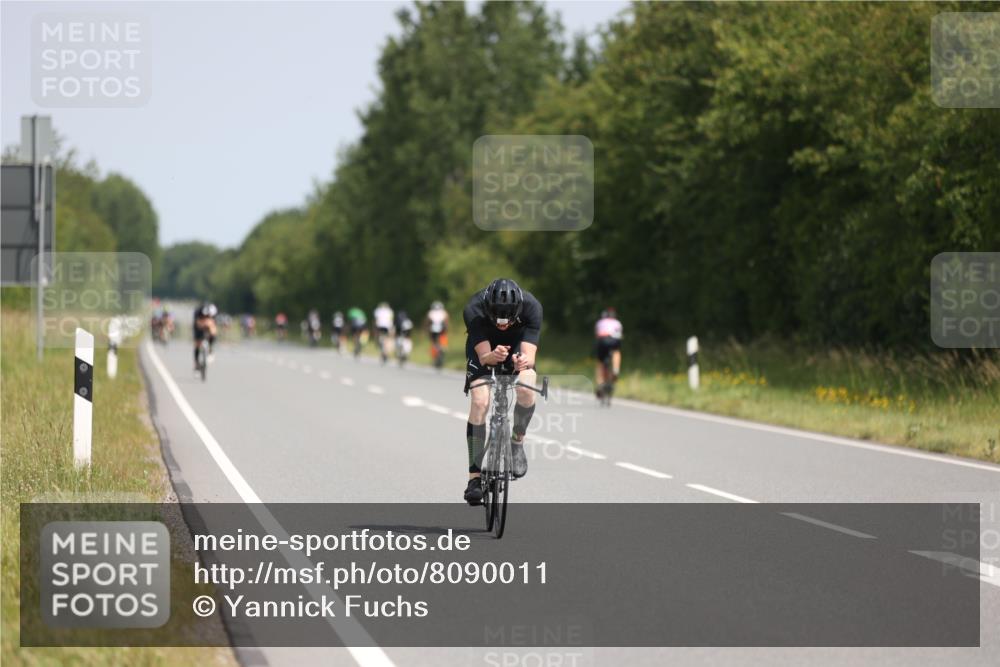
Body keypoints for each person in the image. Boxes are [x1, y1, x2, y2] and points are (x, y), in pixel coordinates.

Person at [461, 278, 542, 505]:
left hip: (518, 345)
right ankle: (474, 478)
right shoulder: (474, 309)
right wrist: (491, 357)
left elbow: (530, 355)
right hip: (484, 349)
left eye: (508, 318)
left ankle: (517, 441)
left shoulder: (532, 307)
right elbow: (484, 356)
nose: (502, 323)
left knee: (526, 387)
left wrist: (521, 362)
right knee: (479, 401)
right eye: (497, 317)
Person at [594, 307, 623, 400]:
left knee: (600, 364)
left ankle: (600, 384)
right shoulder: (618, 323)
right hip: (614, 340)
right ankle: (615, 368)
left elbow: (597, 335)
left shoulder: (600, 322)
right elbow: (620, 335)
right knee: (616, 352)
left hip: (602, 341)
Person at [193, 301, 218, 369]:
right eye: (204, 316)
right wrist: (202, 324)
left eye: (208, 316)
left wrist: (210, 327)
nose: (206, 317)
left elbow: (214, 324)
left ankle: (210, 349)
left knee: (213, 331)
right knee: (197, 343)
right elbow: (197, 324)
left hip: (209, 324)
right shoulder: (198, 312)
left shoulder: (213, 311)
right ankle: (196, 362)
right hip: (198, 324)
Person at [426, 300, 450, 368]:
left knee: (433, 343)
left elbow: (427, 322)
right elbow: (446, 321)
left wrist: (427, 329)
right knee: (443, 341)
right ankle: (443, 348)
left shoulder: (430, 312)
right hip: (442, 330)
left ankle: (435, 357)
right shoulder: (444, 312)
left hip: (433, 330)